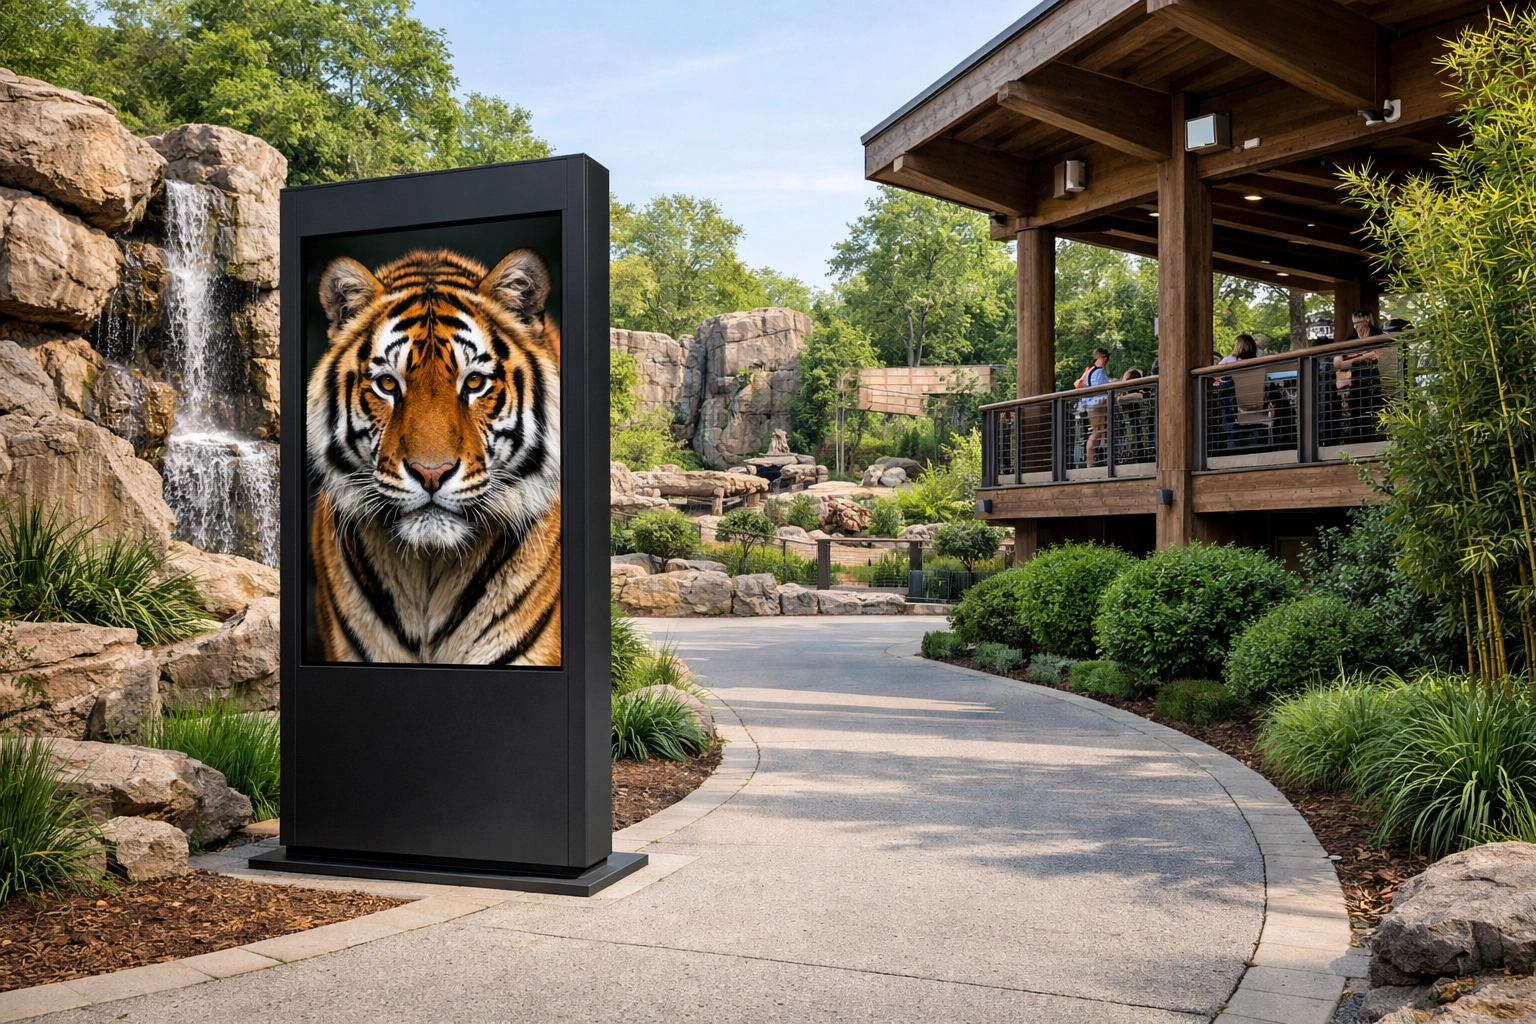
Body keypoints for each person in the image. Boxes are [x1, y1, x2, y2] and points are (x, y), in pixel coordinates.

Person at [1334, 310, 1383, 438]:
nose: (1356, 326)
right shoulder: (1351, 340)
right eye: (1354, 323)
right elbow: (1338, 363)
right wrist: (1361, 358)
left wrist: (1351, 360)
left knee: (1376, 414)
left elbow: (1379, 353)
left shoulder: (1378, 335)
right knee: (1356, 413)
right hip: (1357, 384)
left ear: (1366, 321)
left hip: (1376, 383)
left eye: (1358, 323)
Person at [1074, 347, 1111, 467]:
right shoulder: (1099, 372)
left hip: (1091, 406)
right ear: (1102, 357)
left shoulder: (1089, 371)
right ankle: (1092, 462)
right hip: (1098, 406)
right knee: (1098, 432)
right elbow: (1101, 389)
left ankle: (1095, 462)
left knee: (1100, 433)